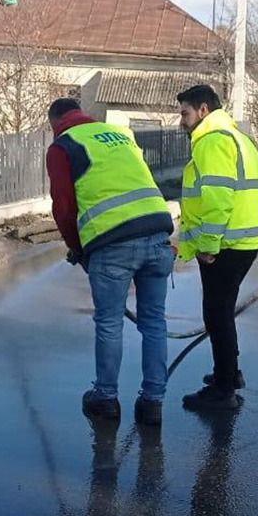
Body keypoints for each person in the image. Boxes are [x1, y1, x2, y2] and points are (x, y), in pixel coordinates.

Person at [46, 98, 175, 425]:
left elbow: (63, 207)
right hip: (158, 230)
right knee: (154, 322)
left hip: (113, 243)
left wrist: (78, 249)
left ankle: (105, 398)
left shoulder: (64, 146)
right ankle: (153, 404)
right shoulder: (121, 134)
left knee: (109, 322)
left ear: (55, 122)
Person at [174, 84, 258, 412]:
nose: (181, 121)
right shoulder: (237, 137)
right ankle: (229, 373)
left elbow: (217, 198)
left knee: (217, 312)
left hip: (226, 244)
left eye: (185, 113)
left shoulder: (212, 141)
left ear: (202, 110)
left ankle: (224, 390)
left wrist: (209, 245)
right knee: (222, 311)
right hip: (242, 241)